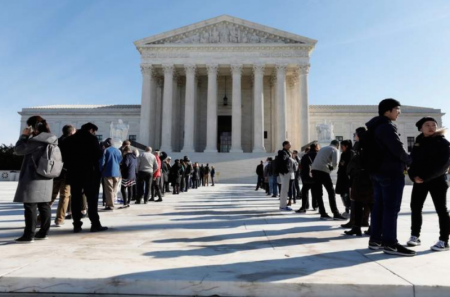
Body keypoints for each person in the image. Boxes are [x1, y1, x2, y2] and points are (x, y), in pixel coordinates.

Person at [365, 98, 414, 256]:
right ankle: (390, 244)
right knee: (391, 209)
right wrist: (410, 160)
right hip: (390, 172)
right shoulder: (386, 127)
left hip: (377, 173)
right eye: (397, 109)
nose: (399, 112)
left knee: (379, 207)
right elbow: (397, 149)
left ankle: (375, 240)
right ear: (387, 111)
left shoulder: (373, 127)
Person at [407, 117, 450, 251]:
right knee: (415, 207)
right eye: (427, 125)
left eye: (434, 125)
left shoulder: (442, 142)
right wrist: (413, 176)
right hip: (419, 180)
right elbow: (412, 162)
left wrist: (425, 177)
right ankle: (414, 236)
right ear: (421, 128)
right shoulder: (418, 142)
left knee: (441, 210)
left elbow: (443, 165)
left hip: (437, 181)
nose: (431, 127)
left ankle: (444, 240)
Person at [13, 116, 56, 242]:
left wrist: (24, 136)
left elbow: (18, 150)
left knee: (30, 205)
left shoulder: (36, 140)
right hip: (46, 175)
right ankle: (43, 232)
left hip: (33, 176)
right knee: (44, 205)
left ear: (32, 126)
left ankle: (29, 235)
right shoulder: (51, 139)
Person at [65, 122, 108, 233]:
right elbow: (98, 154)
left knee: (75, 199)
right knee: (92, 199)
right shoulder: (92, 139)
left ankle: (77, 225)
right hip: (90, 173)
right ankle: (95, 224)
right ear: (91, 130)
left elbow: (65, 156)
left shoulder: (70, 139)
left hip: (74, 173)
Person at [344, 129, 374, 236]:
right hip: (368, 178)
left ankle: (357, 227)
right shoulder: (371, 144)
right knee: (370, 204)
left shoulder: (359, 146)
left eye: (355, 134)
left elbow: (354, 162)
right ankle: (371, 227)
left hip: (360, 178)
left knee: (358, 203)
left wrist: (351, 172)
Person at [311, 140, 346, 220]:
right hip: (323, 170)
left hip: (314, 169)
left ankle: (322, 212)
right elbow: (335, 163)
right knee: (331, 192)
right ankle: (335, 212)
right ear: (337, 145)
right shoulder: (335, 150)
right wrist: (331, 169)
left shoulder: (323, 148)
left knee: (319, 193)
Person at [51, 124, 76, 227]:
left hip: (55, 171)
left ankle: (41, 218)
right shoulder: (73, 143)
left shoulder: (56, 141)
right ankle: (59, 219)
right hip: (67, 172)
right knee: (64, 196)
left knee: (51, 195)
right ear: (71, 133)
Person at [296, 142, 320, 213]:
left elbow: (301, 167)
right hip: (316, 176)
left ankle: (304, 206)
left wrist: (303, 176)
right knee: (315, 192)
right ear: (316, 148)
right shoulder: (318, 155)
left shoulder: (305, 156)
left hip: (307, 177)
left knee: (304, 192)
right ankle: (315, 206)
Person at [100, 139, 122, 210]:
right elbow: (120, 161)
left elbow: (102, 162)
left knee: (109, 189)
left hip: (108, 172)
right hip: (117, 173)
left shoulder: (106, 150)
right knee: (114, 189)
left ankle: (110, 205)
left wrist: (101, 170)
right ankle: (112, 203)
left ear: (107, 143)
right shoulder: (118, 151)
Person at [335, 140, 354, 216]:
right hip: (342, 176)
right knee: (343, 193)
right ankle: (347, 208)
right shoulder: (343, 154)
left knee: (347, 193)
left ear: (347, 146)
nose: (341, 148)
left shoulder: (351, 154)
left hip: (347, 177)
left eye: (342, 146)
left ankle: (349, 209)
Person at [277, 141, 293, 211]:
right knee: (284, 189)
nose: (290, 145)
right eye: (289, 144)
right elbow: (283, 161)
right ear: (285, 145)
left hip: (286, 172)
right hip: (285, 172)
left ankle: (283, 205)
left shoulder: (286, 152)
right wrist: (289, 158)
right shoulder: (282, 152)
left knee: (285, 189)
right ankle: (283, 206)